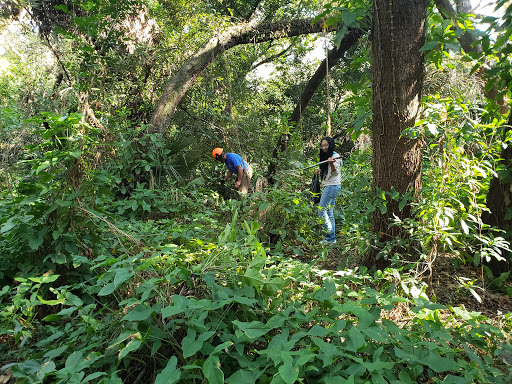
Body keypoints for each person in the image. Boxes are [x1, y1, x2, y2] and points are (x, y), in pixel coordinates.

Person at [315, 137, 341, 244]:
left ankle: (329, 238)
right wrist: (320, 171)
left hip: (332, 186)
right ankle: (332, 239)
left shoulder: (335, 156)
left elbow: (335, 172)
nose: (324, 147)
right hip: (329, 186)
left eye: (326, 145)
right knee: (329, 212)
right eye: (323, 145)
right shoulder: (326, 156)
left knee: (321, 211)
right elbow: (327, 172)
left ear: (330, 144)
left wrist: (331, 163)